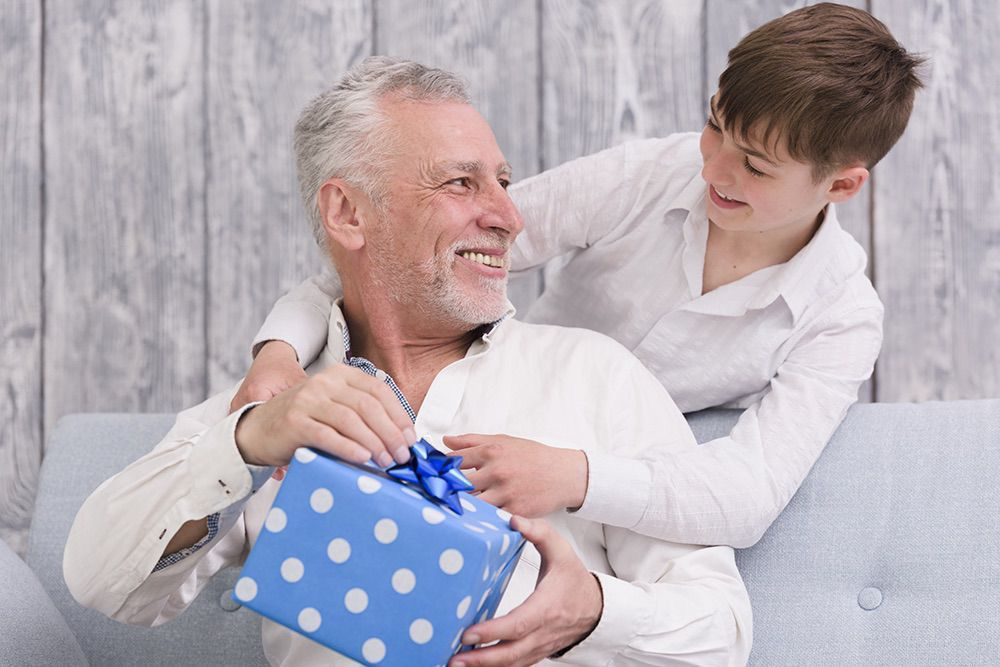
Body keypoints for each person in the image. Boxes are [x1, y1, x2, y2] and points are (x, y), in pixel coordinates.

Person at [64, 58, 751, 666]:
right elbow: (99, 580)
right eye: (462, 182)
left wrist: (596, 611)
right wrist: (246, 442)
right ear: (348, 212)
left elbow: (725, 632)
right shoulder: (272, 405)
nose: (510, 215)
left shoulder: (594, 375)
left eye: (503, 182)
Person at [235, 3, 924, 547]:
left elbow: (748, 494)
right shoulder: (646, 174)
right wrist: (279, 348)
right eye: (715, 127)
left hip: (605, 493)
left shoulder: (841, 317)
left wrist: (575, 475)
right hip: (483, 420)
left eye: (756, 166)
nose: (713, 167)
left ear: (841, 186)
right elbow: (414, 251)